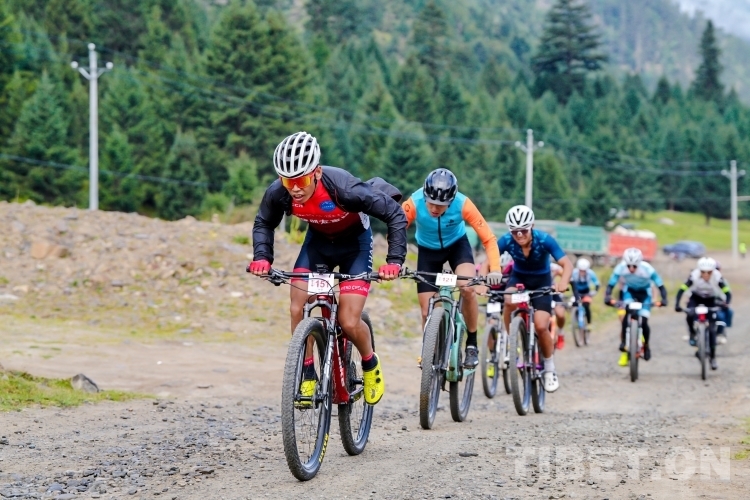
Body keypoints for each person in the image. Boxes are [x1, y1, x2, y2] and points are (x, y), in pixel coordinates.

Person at [248, 131, 407, 405]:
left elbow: (394, 213)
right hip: (318, 245)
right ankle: (308, 373)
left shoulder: (344, 188)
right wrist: (263, 258)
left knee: (349, 321)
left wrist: (394, 261)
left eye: (301, 180)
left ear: (317, 173)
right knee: (297, 307)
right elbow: (264, 222)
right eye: (287, 181)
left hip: (355, 246)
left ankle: (369, 363)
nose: (295, 188)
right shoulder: (279, 192)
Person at [402, 168, 503, 368]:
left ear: (451, 200)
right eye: (431, 202)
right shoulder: (413, 203)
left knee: (467, 288)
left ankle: (471, 344)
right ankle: (430, 353)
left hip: (457, 247)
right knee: (426, 310)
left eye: (441, 205)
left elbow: (489, 239)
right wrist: (395, 262)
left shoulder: (463, 204)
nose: (434, 208)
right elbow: (396, 229)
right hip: (428, 251)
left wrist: (495, 269)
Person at [498, 205, 573, 393]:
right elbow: (488, 261)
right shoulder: (506, 240)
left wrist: (563, 282)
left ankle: (550, 368)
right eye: (514, 231)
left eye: (524, 230)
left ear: (532, 226)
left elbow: (567, 264)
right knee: (508, 300)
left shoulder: (544, 239)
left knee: (541, 326)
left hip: (542, 282)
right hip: (519, 279)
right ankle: (511, 338)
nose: (519, 235)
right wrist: (484, 279)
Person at [605, 248, 667, 367]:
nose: (631, 269)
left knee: (643, 321)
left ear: (639, 263)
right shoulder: (620, 268)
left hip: (645, 293)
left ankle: (646, 346)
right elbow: (611, 284)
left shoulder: (647, 269)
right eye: (629, 266)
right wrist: (607, 296)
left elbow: (660, 284)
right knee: (627, 313)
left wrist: (664, 299)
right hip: (630, 292)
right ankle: (624, 342)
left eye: (634, 266)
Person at [674, 257, 731, 370]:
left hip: (710, 299)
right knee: (690, 314)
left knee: (712, 330)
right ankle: (692, 333)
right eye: (703, 272)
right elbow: (682, 289)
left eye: (709, 272)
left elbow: (727, 292)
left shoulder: (717, 276)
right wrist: (677, 304)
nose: (705, 275)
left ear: (713, 271)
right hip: (696, 298)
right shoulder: (694, 275)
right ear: (699, 270)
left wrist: (726, 303)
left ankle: (713, 358)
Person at [571, 258, 600, 327]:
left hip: (586, 291)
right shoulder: (574, 273)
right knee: (574, 304)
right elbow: (570, 282)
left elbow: (597, 283)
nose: (582, 272)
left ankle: (589, 323)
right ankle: (575, 320)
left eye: (584, 271)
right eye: (581, 270)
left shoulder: (591, 273)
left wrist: (595, 291)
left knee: (586, 305)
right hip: (576, 291)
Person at [550, 262, 568, 349]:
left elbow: (567, 277)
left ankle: (560, 333)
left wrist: (562, 284)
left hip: (552, 293)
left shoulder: (553, 267)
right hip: (536, 293)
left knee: (560, 314)